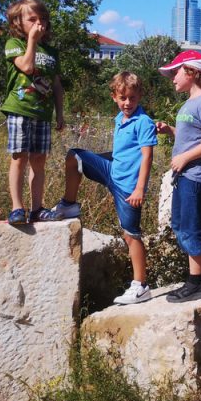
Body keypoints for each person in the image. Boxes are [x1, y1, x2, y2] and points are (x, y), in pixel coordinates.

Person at [46, 71, 157, 305]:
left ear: (140, 97)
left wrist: (140, 190)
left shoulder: (144, 122)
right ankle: (69, 204)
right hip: (112, 171)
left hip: (128, 186)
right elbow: (122, 153)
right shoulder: (120, 118)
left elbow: (146, 158)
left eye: (133, 99)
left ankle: (140, 285)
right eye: (123, 98)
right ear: (114, 97)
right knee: (74, 156)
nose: (127, 103)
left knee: (130, 235)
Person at [155, 50, 201, 302]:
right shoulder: (189, 103)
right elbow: (192, 137)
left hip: (198, 176)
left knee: (191, 227)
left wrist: (184, 158)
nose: (172, 77)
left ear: (192, 72)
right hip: (186, 175)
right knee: (180, 225)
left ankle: (196, 284)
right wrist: (170, 130)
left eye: (176, 72)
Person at [0, 0, 64, 225]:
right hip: (20, 109)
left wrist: (60, 113)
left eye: (43, 19)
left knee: (39, 160)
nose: (40, 24)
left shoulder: (51, 52)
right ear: (19, 22)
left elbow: (56, 85)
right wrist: (32, 41)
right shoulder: (14, 44)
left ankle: (37, 208)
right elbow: (26, 66)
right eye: (33, 19)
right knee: (19, 158)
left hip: (43, 114)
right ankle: (17, 207)